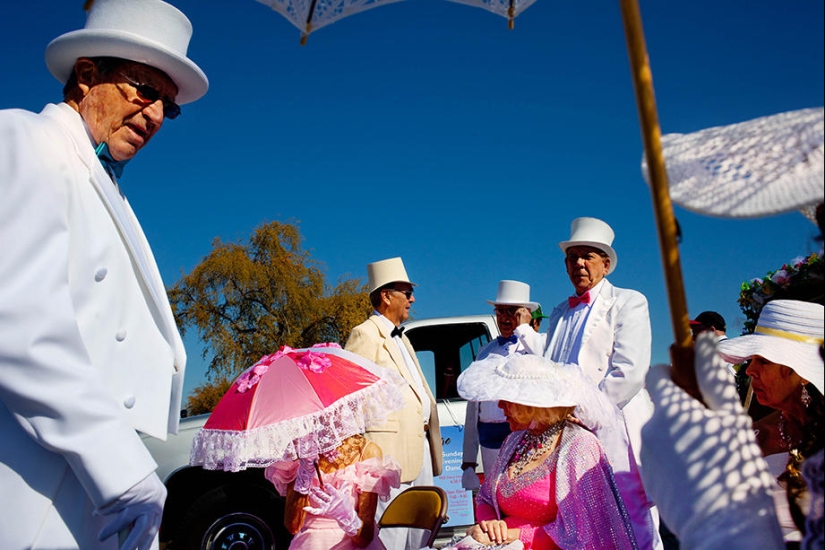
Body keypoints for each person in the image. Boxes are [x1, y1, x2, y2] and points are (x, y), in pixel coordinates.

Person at [0, 1, 207, 549]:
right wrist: (121, 469)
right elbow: (20, 325)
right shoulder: (24, 139)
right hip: (33, 495)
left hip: (86, 495)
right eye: (144, 89)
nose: (157, 114)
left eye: (169, 104)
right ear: (87, 76)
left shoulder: (106, 184)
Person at [451, 354, 643, 550]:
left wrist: (513, 535)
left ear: (533, 404)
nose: (499, 405)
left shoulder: (580, 447)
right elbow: (485, 497)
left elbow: (586, 533)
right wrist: (491, 524)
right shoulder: (514, 441)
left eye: (508, 399)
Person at [345, 256, 443, 550]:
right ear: (386, 296)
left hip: (420, 447)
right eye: (406, 292)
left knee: (422, 529)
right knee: (390, 531)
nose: (412, 299)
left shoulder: (403, 339)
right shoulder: (365, 334)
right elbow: (351, 398)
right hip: (389, 453)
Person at [716, 299, 824, 544]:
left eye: (763, 360)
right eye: (751, 360)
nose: (749, 370)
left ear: (802, 373)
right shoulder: (755, 435)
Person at [461, 280, 537, 490]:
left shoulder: (535, 346)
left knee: (521, 496)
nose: (504, 317)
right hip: (489, 441)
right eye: (500, 311)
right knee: (496, 497)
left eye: (512, 311)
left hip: (524, 438)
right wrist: (468, 459)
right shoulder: (485, 351)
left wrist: (524, 330)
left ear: (525, 314)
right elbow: (473, 406)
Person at [265, 435, 402, 549]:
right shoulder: (299, 450)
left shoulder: (366, 451)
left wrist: (347, 516)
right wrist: (304, 470)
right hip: (310, 543)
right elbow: (293, 526)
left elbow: (365, 538)